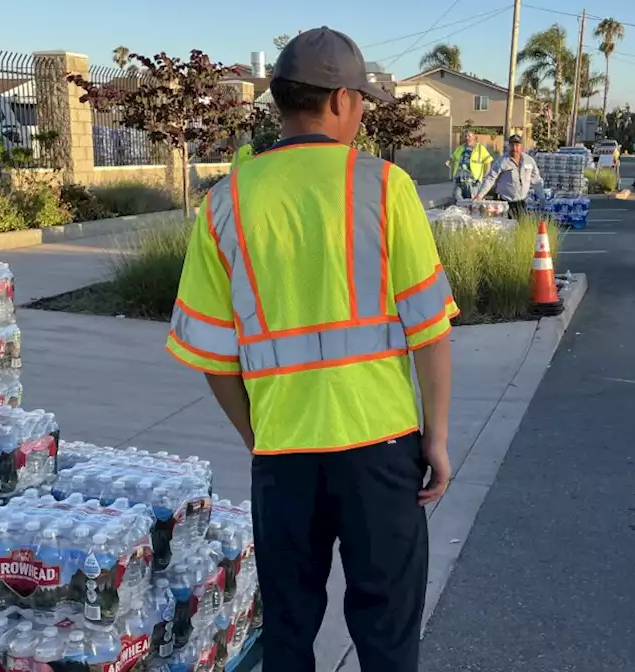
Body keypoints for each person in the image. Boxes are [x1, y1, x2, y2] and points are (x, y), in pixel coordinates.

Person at [165, 27, 457, 672]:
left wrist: (259, 436)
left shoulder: (225, 201)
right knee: (386, 629)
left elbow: (213, 357)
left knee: (289, 629)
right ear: (338, 101)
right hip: (381, 451)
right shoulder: (385, 187)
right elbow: (430, 328)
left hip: (284, 456)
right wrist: (435, 438)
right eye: (361, 100)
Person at [473, 133, 544, 219]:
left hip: (521, 203)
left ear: (521, 146)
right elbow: (490, 178)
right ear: (508, 146)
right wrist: (480, 195)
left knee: (520, 228)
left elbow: (536, 180)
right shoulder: (502, 161)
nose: (514, 148)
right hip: (504, 203)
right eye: (512, 145)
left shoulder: (529, 161)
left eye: (517, 145)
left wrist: (542, 197)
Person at [447, 130, 493, 200]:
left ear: (474, 137)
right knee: (456, 196)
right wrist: (449, 162)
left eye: (469, 136)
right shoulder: (460, 148)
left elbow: (488, 161)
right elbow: (453, 157)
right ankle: (462, 209)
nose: (467, 138)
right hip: (460, 180)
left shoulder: (480, 148)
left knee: (473, 201)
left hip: (473, 182)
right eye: (465, 136)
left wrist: (485, 175)